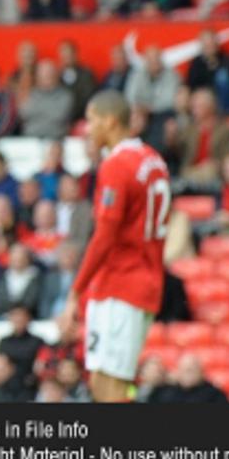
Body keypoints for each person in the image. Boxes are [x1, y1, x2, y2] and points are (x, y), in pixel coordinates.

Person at [58, 91, 170, 403]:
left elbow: (105, 235)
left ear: (110, 122)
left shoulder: (116, 165)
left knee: (111, 389)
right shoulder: (153, 159)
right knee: (103, 383)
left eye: (91, 121)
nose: (87, 129)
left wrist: (76, 290)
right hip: (144, 280)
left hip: (121, 284)